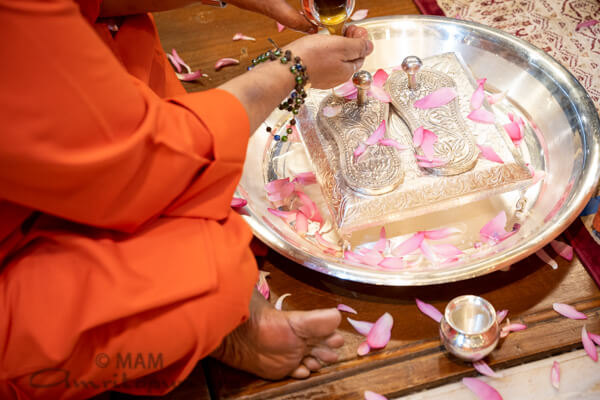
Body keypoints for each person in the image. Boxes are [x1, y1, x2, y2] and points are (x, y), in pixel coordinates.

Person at [0, 0, 374, 398]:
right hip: (67, 190)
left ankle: (215, 312)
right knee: (206, 270)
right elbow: (135, 162)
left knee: (132, 48)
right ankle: (217, 322)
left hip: (70, 148)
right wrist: (288, 71)